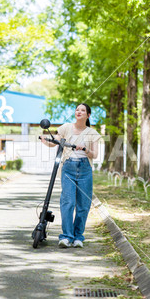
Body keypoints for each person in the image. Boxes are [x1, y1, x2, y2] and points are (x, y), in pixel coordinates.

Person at [40, 103, 101, 248]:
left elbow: (95, 155)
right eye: (77, 110)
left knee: (83, 205)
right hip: (68, 167)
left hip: (85, 168)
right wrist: (45, 140)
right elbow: (55, 143)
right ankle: (67, 236)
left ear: (88, 115)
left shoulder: (92, 133)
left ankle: (78, 236)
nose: (79, 112)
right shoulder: (66, 127)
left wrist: (85, 149)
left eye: (82, 110)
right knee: (68, 202)